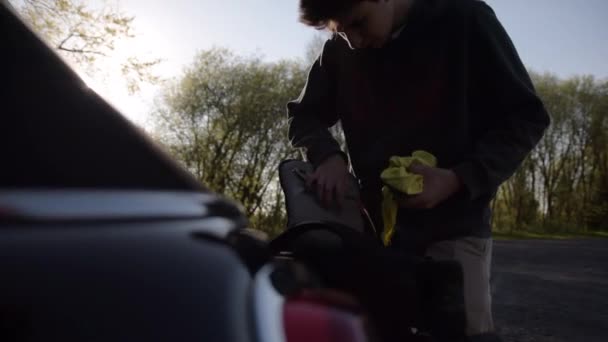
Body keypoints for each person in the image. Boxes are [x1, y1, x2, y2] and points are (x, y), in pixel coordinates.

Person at [287, 0, 551, 340]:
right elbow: (303, 115)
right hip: (375, 236)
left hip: (454, 229)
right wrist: (327, 156)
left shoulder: (466, 18)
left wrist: (458, 179)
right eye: (340, 31)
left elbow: (527, 117)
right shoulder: (340, 49)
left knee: (461, 332)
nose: (353, 41)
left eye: (358, 23)